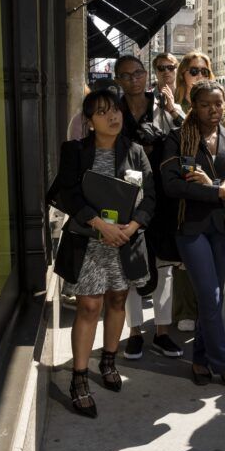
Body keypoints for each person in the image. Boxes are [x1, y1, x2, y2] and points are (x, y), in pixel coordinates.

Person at [47, 88, 155, 418]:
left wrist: (132, 227)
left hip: (124, 240)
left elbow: (150, 197)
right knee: (89, 306)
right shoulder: (75, 151)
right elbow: (67, 192)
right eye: (103, 112)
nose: (113, 116)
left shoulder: (135, 152)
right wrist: (100, 225)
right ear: (90, 121)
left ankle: (109, 362)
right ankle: (79, 378)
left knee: (118, 300)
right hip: (89, 240)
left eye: (116, 110)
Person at [161, 80, 225, 392]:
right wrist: (219, 190)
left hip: (224, 229)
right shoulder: (177, 139)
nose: (213, 110)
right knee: (211, 295)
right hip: (190, 229)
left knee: (210, 297)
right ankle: (224, 365)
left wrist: (220, 187)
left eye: (218, 103)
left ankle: (200, 358)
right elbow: (172, 186)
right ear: (192, 106)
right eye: (205, 104)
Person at [112, 55, 183, 359]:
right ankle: (135, 332)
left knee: (164, 265)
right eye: (126, 76)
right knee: (132, 263)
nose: (133, 80)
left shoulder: (161, 103)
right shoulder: (114, 108)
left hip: (163, 194)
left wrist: (171, 114)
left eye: (138, 73)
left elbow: (185, 133)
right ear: (118, 80)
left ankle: (163, 331)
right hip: (128, 195)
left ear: (146, 74)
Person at [172, 51, 218, 332]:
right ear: (182, 75)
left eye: (204, 71)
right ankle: (185, 309)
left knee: (210, 263)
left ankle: (206, 312)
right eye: (193, 71)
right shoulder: (172, 104)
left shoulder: (218, 106)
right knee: (182, 262)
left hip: (214, 196)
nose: (199, 75)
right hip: (182, 196)